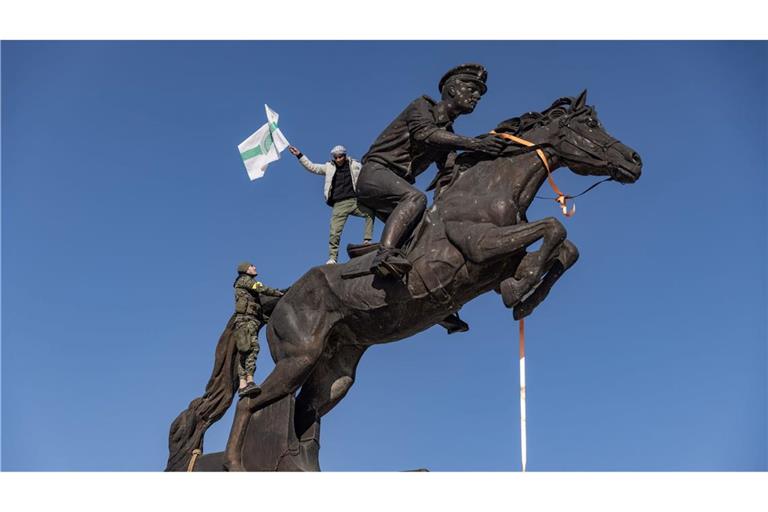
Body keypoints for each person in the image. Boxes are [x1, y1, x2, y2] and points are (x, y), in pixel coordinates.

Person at [356, 63, 507, 279]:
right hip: (375, 174)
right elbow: (425, 134)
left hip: (397, 186)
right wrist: (475, 143)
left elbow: (450, 169)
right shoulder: (421, 106)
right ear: (453, 89)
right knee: (415, 198)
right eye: (472, 89)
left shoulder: (448, 133)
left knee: (427, 227)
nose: (477, 96)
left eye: (479, 93)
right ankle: (385, 255)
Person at [288, 144, 375, 264]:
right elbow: (312, 167)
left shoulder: (355, 165)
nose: (338, 159)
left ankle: (367, 240)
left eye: (340, 157)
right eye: (336, 157)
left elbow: (366, 173)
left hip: (354, 201)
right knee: (334, 232)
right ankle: (333, 257)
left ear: (344, 156)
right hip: (339, 204)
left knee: (370, 213)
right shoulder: (329, 167)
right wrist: (299, 155)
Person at [232, 262, 285, 397]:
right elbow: (260, 288)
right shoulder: (245, 280)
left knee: (247, 350)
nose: (255, 267)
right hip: (246, 321)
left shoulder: (247, 284)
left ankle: (243, 385)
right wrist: (277, 293)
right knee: (251, 349)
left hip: (249, 320)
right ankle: (248, 382)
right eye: (252, 266)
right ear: (245, 269)